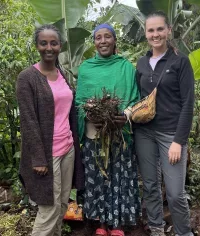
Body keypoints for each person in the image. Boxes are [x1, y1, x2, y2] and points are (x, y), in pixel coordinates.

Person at [15, 24, 84, 236]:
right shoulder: (27, 78)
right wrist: (38, 158)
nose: (49, 47)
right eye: (43, 43)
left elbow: (68, 110)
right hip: (47, 153)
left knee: (63, 204)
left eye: (53, 43)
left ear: (60, 46)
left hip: (68, 149)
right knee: (49, 207)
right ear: (37, 45)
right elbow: (28, 120)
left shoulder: (61, 74)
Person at [75, 23, 141, 236]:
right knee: (98, 178)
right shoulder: (86, 68)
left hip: (120, 134)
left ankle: (117, 224)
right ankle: (101, 224)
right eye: (98, 38)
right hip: (94, 134)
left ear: (114, 41)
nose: (102, 41)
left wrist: (125, 116)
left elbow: (134, 98)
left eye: (107, 37)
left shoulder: (126, 67)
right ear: (94, 42)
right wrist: (90, 113)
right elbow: (79, 101)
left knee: (118, 178)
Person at [134, 11, 195, 236]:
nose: (155, 34)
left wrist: (179, 141)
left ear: (168, 30)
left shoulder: (180, 61)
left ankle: (183, 232)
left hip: (171, 134)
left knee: (175, 192)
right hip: (144, 133)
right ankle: (157, 228)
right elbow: (137, 98)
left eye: (160, 29)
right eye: (151, 30)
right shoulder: (141, 63)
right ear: (145, 34)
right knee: (150, 186)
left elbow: (188, 104)